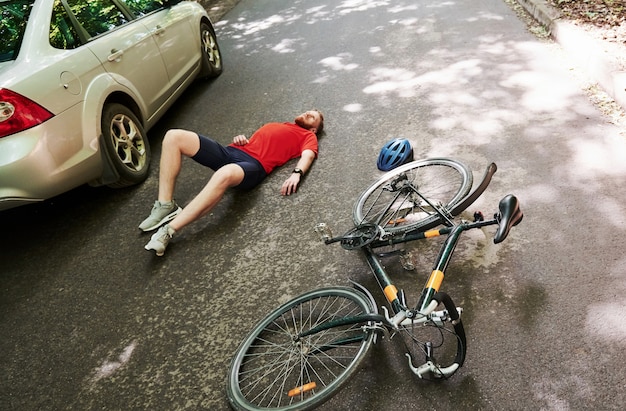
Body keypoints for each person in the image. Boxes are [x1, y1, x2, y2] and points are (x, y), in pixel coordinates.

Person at [139, 110, 324, 256]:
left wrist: (297, 173)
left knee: (224, 174)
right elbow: (258, 141)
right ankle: (165, 205)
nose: (308, 113)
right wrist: (242, 139)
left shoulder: (308, 137)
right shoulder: (283, 125)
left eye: (312, 116)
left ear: (314, 129)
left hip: (253, 165)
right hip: (232, 152)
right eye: (308, 111)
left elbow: (308, 154)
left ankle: (169, 230)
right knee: (173, 136)